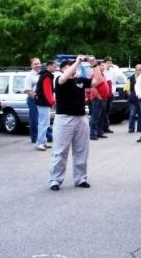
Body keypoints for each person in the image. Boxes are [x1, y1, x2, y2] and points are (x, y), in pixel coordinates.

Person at [48, 55, 108, 191]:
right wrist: (77, 62)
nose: (74, 69)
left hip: (81, 118)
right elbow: (64, 78)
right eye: (70, 67)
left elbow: (98, 80)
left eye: (74, 66)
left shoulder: (79, 80)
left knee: (81, 150)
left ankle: (80, 178)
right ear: (63, 68)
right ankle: (55, 180)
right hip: (64, 119)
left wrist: (94, 64)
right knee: (60, 150)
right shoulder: (58, 79)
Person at [34, 60, 56, 151]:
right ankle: (40, 143)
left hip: (42, 102)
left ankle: (43, 141)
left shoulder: (44, 76)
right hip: (43, 102)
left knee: (44, 123)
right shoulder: (47, 76)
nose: (55, 68)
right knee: (44, 123)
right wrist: (52, 101)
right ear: (49, 66)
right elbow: (47, 91)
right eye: (54, 66)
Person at [89, 61, 108, 141]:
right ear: (98, 66)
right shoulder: (95, 75)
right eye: (102, 65)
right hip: (97, 99)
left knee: (101, 117)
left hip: (103, 99)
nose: (104, 67)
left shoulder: (102, 75)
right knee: (95, 117)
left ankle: (99, 132)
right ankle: (93, 134)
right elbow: (92, 87)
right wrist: (98, 96)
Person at [24, 58, 41, 144]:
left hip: (41, 99)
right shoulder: (29, 76)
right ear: (31, 65)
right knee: (34, 119)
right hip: (33, 99)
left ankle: (45, 136)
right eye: (35, 64)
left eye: (38, 63)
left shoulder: (41, 74)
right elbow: (28, 91)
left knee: (42, 119)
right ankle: (34, 137)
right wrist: (36, 99)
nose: (37, 65)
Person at [125, 64, 141, 133]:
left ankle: (140, 128)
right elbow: (127, 89)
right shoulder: (130, 78)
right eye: (140, 70)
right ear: (136, 70)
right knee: (132, 114)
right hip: (133, 100)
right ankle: (131, 128)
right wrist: (131, 96)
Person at [102, 56, 116, 134]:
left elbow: (114, 82)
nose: (109, 64)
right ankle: (101, 127)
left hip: (110, 92)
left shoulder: (112, 71)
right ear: (105, 63)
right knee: (103, 110)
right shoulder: (103, 70)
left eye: (110, 63)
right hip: (104, 92)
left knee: (108, 110)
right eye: (108, 63)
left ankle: (106, 126)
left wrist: (113, 91)